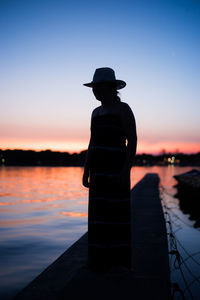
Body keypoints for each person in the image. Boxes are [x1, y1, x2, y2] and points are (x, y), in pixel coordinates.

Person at [82, 67, 137, 272]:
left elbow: (132, 140)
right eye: (94, 88)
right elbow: (92, 142)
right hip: (98, 173)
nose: (95, 91)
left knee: (117, 216)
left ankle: (118, 262)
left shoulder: (123, 109)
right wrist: (86, 170)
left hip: (116, 171)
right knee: (98, 217)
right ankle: (98, 260)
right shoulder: (95, 113)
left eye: (98, 88)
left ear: (110, 88)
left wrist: (126, 170)